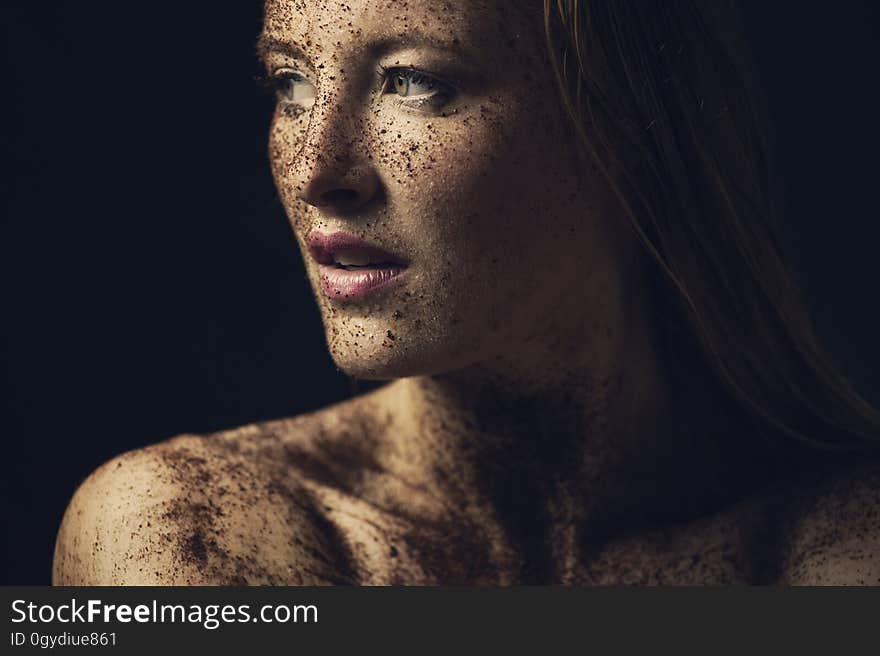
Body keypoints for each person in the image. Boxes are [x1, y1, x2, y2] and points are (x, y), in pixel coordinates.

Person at [53, 0, 880, 585]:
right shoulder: (192, 529)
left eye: (413, 82)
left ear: (629, 128)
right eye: (289, 83)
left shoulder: (839, 547)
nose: (315, 171)